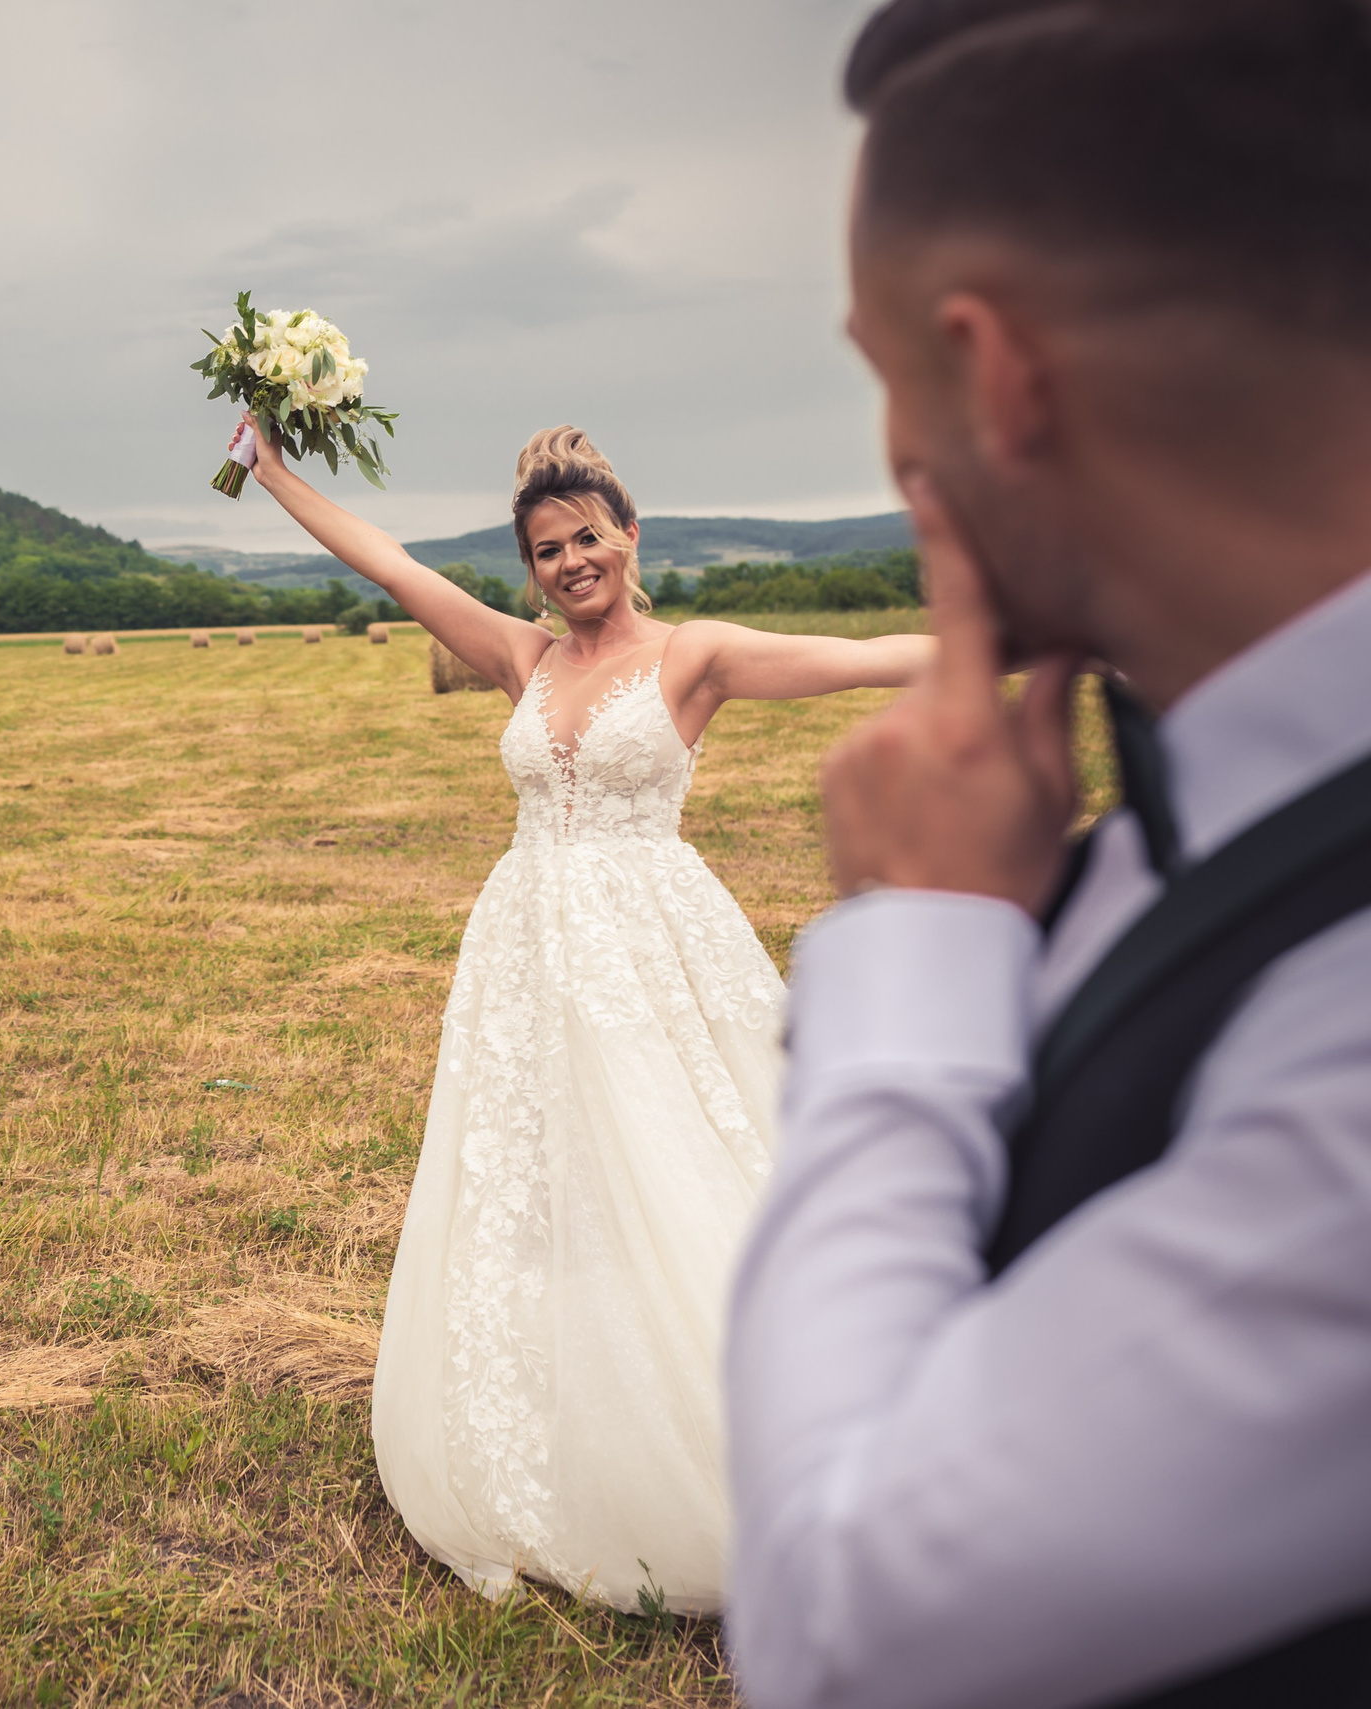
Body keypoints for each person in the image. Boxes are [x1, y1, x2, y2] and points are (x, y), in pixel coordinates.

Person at [725, 1, 1371, 1705]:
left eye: (885, 375)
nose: (895, 449)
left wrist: (921, 939)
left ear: (998, 375)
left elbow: (846, 1625)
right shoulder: (1174, 805)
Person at [241, 417, 930, 1610]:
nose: (570, 562)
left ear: (628, 534)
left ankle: (746, 1429)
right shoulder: (523, 656)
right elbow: (391, 566)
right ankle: (564, 1432)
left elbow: (862, 656)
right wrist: (271, 472)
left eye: (588, 537)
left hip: (647, 941)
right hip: (521, 951)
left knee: (678, 1164)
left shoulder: (693, 655)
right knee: (539, 1188)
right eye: (547, 548)